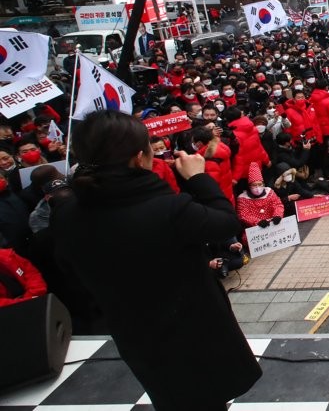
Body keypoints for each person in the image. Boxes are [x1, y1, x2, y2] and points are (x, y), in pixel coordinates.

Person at [51, 110, 260, 410]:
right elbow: (226, 223)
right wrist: (199, 177)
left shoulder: (67, 214)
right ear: (139, 158)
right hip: (192, 329)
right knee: (207, 399)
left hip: (134, 332)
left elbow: (70, 269)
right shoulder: (167, 210)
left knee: (171, 398)